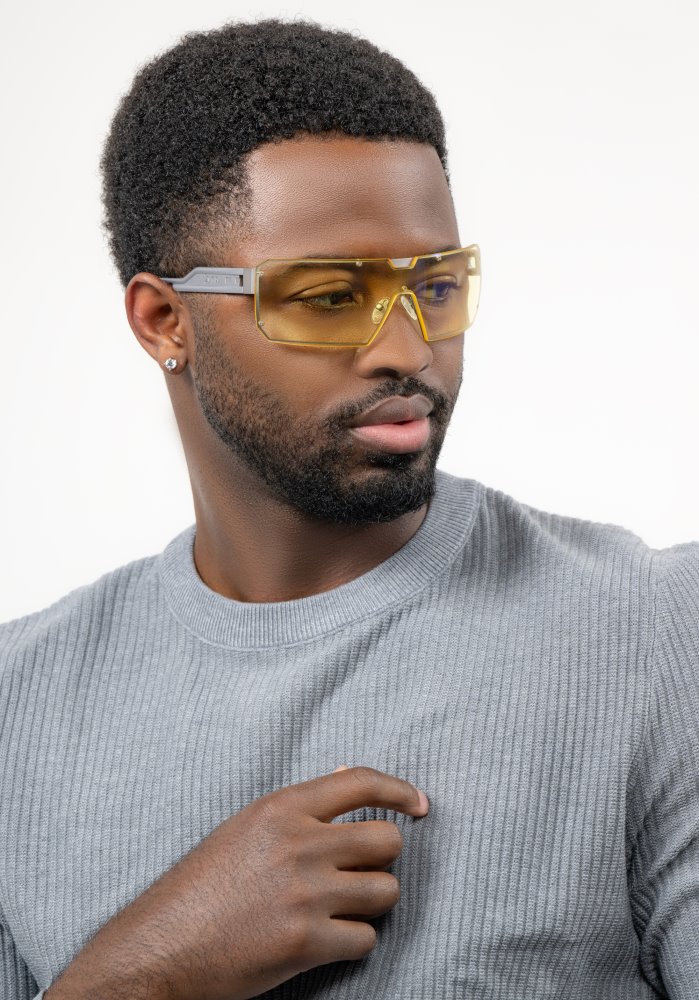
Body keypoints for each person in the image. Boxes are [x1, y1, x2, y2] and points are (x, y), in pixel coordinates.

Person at [1, 17, 697, 1000]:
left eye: (436, 287)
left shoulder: (656, 631)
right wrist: (144, 976)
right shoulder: (17, 705)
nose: (408, 352)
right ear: (164, 322)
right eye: (330, 297)